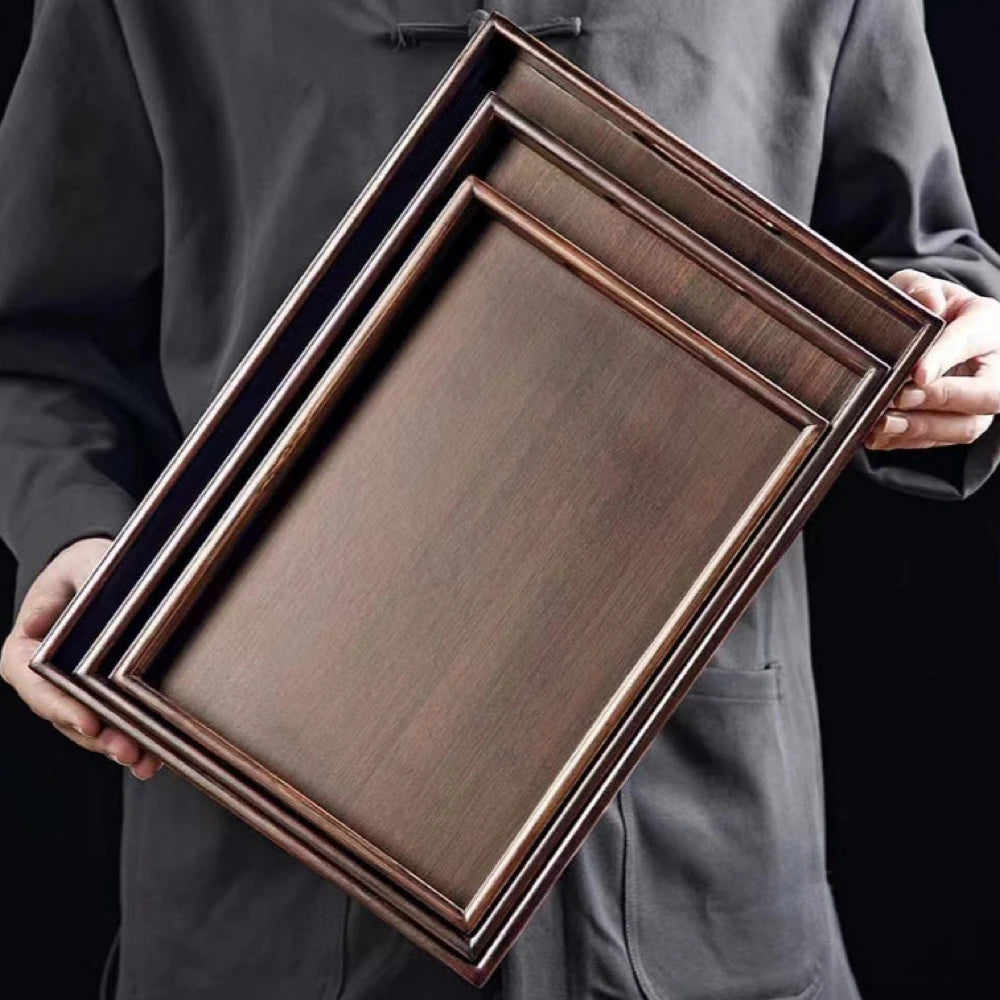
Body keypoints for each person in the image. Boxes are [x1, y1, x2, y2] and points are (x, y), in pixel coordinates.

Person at [2, 3, 999, 998]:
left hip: (701, 854)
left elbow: (925, 255)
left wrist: (961, 341)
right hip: (268, 841)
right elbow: (35, 341)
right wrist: (73, 529)